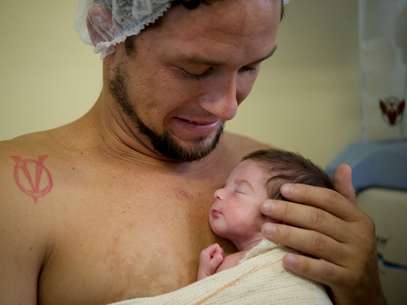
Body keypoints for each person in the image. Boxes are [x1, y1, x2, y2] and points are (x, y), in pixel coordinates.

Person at [0, 1, 385, 305]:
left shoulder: (276, 181)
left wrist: (363, 292)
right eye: (196, 70)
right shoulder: (16, 196)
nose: (228, 107)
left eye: (251, 67)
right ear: (107, 31)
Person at [197, 148, 335, 280]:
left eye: (239, 191)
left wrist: (204, 276)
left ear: (282, 217)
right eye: (224, 185)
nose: (218, 193)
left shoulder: (233, 265)